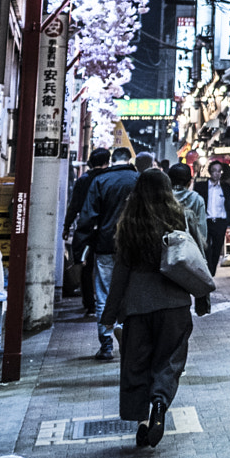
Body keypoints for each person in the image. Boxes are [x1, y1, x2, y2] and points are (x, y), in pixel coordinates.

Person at [99, 169, 196, 450]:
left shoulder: (129, 222)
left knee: (137, 364)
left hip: (138, 306)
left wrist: (109, 314)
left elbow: (121, 271)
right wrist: (202, 295)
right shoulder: (179, 217)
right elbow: (194, 258)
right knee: (169, 361)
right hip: (175, 302)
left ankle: (143, 421)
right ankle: (159, 404)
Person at [72, 145, 139, 359]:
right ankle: (131, 339)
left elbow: (87, 216)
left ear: (112, 161)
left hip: (105, 244)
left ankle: (107, 343)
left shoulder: (99, 181)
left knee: (103, 293)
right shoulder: (139, 181)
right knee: (132, 291)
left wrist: (79, 247)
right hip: (135, 244)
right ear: (129, 160)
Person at [63, 148, 109, 318]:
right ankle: (105, 302)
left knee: (86, 267)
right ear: (107, 162)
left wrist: (66, 226)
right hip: (106, 229)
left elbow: (74, 205)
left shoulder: (83, 180)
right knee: (106, 266)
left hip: (86, 229)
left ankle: (90, 304)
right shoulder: (108, 179)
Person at [203, 159, 230, 275]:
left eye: (219, 171)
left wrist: (228, 218)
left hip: (220, 222)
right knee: (206, 248)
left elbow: (228, 203)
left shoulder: (225, 187)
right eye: (214, 171)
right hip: (206, 222)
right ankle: (207, 271)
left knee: (217, 249)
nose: (217, 174)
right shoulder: (202, 186)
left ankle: (211, 273)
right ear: (210, 172)